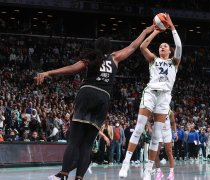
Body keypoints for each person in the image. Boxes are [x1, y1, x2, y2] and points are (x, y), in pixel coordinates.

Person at [35, 25, 154, 180]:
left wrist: (48, 72)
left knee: (75, 141)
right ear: (109, 48)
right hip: (103, 98)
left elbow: (72, 68)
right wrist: (146, 31)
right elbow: (133, 46)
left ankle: (63, 174)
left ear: (96, 47)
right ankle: (79, 178)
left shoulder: (91, 58)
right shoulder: (115, 57)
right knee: (87, 145)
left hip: (87, 93)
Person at [119, 14, 182, 180]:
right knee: (139, 128)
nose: (162, 47)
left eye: (165, 46)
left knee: (156, 136)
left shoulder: (174, 63)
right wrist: (156, 31)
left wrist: (172, 27)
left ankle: (148, 170)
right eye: (160, 46)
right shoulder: (153, 59)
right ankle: (126, 163)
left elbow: (180, 46)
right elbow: (142, 47)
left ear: (170, 51)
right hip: (150, 94)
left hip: (164, 98)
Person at [155, 110, 177, 180]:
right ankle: (159, 172)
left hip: (167, 132)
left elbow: (173, 122)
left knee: (169, 152)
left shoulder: (170, 112)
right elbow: (148, 120)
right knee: (156, 152)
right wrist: (149, 128)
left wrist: (175, 133)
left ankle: (171, 173)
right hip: (159, 131)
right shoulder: (156, 109)